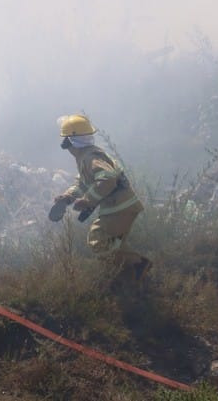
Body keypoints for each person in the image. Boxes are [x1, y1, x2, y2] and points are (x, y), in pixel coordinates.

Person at [49, 114, 149, 279]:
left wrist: (88, 200)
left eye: (65, 143)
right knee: (111, 244)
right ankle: (131, 278)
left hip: (120, 208)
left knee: (98, 239)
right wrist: (67, 197)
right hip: (118, 208)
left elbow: (108, 178)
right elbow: (83, 184)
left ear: (71, 142)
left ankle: (138, 265)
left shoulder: (90, 158)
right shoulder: (86, 157)